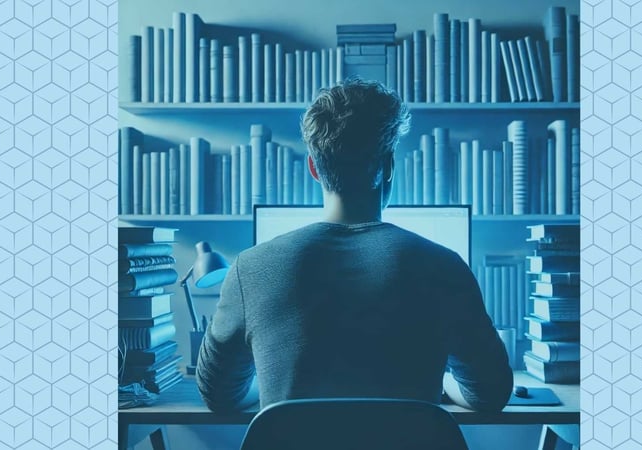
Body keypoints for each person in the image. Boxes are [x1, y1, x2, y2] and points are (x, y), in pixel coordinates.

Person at [196, 78, 513, 412]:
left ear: (314, 167)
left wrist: (277, 392)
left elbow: (218, 395)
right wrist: (442, 386)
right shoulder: (444, 266)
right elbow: (490, 392)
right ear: (388, 166)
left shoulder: (251, 268)